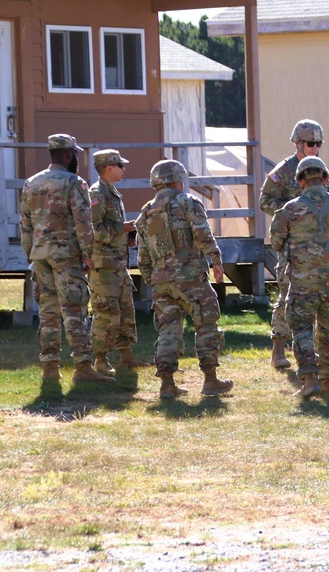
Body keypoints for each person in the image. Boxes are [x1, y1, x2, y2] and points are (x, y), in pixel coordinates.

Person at [20, 134, 115, 385]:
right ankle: (82, 367)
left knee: (48, 312)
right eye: (75, 154)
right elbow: (84, 223)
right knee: (74, 310)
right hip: (66, 256)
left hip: (40, 256)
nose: (77, 158)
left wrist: (31, 252)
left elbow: (25, 224)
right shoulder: (74, 183)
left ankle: (50, 368)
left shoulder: (31, 183)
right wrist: (88, 256)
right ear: (68, 154)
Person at [135, 159, 233, 399]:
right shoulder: (188, 202)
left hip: (161, 281)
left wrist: (154, 279)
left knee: (168, 330)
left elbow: (143, 255)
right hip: (190, 277)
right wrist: (216, 261)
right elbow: (202, 233)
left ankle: (167, 384)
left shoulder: (146, 212)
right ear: (178, 181)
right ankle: (210, 380)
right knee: (206, 323)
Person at [269, 156, 329, 399]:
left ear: (300, 181)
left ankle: (310, 380)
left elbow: (277, 242)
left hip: (302, 284)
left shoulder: (288, 211)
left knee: (301, 329)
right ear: (325, 178)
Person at [260, 119, 329, 370]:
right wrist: (290, 213)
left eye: (319, 144)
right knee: (287, 296)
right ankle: (278, 350)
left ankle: (308, 350)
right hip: (292, 247)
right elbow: (265, 200)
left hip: (319, 250)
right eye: (311, 143)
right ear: (298, 143)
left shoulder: (321, 171)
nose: (316, 148)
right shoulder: (282, 171)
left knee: (318, 298)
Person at [88, 149, 150, 375]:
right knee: (106, 312)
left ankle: (126, 356)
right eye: (120, 165)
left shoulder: (111, 192)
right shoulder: (97, 193)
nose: (124, 169)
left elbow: (109, 229)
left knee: (125, 311)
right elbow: (93, 230)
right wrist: (120, 228)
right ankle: (100, 359)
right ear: (109, 168)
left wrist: (127, 235)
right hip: (103, 266)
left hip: (118, 264)